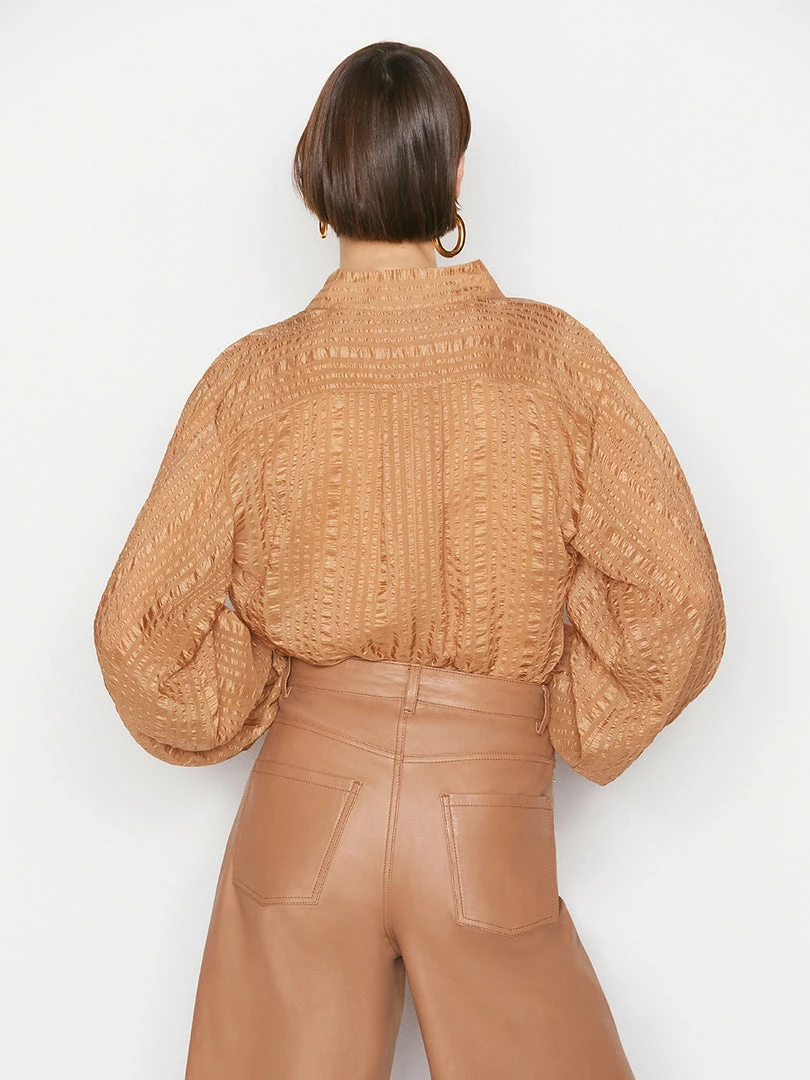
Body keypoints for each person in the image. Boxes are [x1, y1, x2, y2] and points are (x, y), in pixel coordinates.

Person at [93, 40, 726, 1080]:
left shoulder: (254, 382)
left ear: (318, 176)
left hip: (304, 804)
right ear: (455, 173)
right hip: (485, 812)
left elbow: (136, 631)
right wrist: (563, 716)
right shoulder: (550, 360)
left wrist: (272, 690)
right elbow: (679, 594)